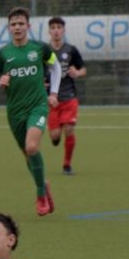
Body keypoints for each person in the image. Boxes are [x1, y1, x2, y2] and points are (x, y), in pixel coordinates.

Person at [0, 7, 62, 217]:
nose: (17, 27)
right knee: (27, 154)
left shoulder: (40, 48)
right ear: (8, 28)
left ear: (28, 26)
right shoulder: (3, 54)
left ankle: (40, 195)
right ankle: (43, 184)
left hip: (38, 106)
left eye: (21, 24)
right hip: (15, 111)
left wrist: (54, 93)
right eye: (13, 24)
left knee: (32, 146)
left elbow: (56, 67)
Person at [47, 16, 87, 175]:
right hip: (51, 100)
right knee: (55, 136)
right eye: (53, 28)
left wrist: (77, 72)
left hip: (69, 97)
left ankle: (67, 165)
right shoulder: (44, 51)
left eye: (59, 27)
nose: (56, 31)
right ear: (49, 31)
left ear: (63, 30)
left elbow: (83, 69)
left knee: (69, 130)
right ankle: (56, 136)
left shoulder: (71, 50)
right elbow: (38, 71)